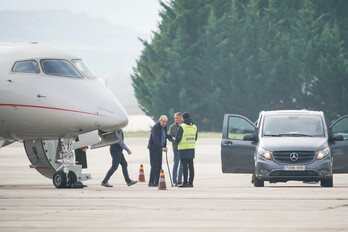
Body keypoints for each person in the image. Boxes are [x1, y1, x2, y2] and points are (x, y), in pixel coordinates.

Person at [175, 112, 198, 188]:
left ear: (183, 118)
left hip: (183, 149)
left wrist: (176, 141)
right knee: (191, 166)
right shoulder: (194, 127)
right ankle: (191, 182)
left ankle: (185, 182)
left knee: (184, 167)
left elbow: (178, 138)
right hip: (191, 148)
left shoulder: (182, 126)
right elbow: (195, 138)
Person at [147, 115, 171, 187]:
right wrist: (161, 147)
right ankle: (151, 182)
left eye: (165, 122)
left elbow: (164, 135)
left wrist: (171, 137)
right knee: (154, 165)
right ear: (160, 121)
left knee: (159, 165)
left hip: (160, 148)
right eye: (163, 121)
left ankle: (157, 181)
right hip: (153, 148)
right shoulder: (155, 127)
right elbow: (155, 139)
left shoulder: (164, 127)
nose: (164, 123)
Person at [168, 112, 183, 186]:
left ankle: (180, 180)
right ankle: (174, 180)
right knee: (176, 163)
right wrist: (175, 140)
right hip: (176, 148)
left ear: (181, 118)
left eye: (177, 118)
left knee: (182, 164)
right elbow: (169, 136)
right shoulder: (172, 127)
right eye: (175, 118)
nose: (176, 119)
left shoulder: (184, 126)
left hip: (183, 148)